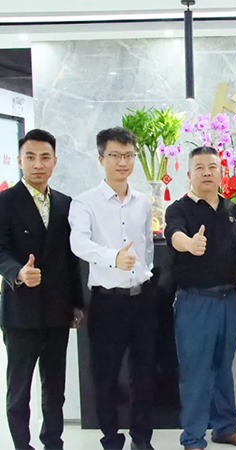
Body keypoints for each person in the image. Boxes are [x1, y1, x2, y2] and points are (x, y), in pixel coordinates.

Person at [164, 146, 236, 450]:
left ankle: (225, 428)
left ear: (221, 172)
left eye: (213, 167)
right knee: (195, 371)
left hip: (230, 301)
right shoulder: (179, 209)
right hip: (196, 302)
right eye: (200, 167)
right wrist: (189, 244)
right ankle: (193, 437)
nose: (207, 172)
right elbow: (173, 234)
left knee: (223, 367)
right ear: (189, 174)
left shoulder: (231, 210)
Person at [69, 127, 156, 450]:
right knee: (105, 376)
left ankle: (142, 440)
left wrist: (143, 273)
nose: (123, 162)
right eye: (115, 155)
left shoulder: (142, 202)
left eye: (129, 155)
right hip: (107, 303)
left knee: (143, 374)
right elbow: (78, 243)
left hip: (141, 300)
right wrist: (112, 258)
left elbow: (147, 246)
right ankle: (110, 439)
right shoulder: (85, 202)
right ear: (101, 158)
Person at [0, 129, 84, 450]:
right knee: (19, 390)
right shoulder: (5, 202)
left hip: (57, 311)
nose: (38, 164)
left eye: (45, 157)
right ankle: (22, 445)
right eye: (31, 157)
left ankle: (53, 442)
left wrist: (77, 303)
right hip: (20, 312)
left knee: (54, 388)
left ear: (54, 161)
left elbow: (71, 258)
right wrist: (18, 273)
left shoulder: (65, 203)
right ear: (19, 160)